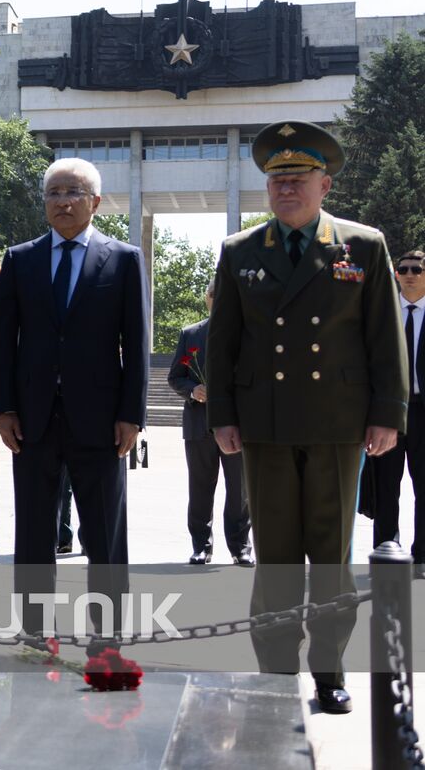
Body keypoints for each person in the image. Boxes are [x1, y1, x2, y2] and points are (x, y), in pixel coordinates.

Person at [207, 120, 407, 715]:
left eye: (298, 178)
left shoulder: (363, 245)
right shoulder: (241, 250)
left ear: (325, 185)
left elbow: (383, 337)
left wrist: (387, 413)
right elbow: (223, 343)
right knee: (273, 556)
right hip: (265, 424)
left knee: (330, 554)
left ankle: (328, 668)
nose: (286, 189)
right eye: (277, 180)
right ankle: (273, 667)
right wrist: (221, 414)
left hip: (336, 423)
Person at [0, 156, 147, 642]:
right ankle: (36, 632)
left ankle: (108, 635)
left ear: (95, 202)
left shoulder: (123, 259)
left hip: (100, 420)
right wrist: (4, 408)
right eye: (54, 193)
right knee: (35, 533)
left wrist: (131, 415)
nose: (62, 201)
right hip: (32, 419)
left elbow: (136, 343)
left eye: (73, 192)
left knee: (104, 532)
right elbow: (0, 341)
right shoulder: (20, 259)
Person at [168, 283, 252, 566]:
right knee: (200, 488)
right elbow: (175, 377)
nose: (218, 301)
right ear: (207, 299)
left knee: (240, 490)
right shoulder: (190, 334)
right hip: (198, 426)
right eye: (214, 296)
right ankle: (201, 546)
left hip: (237, 426)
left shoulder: (248, 334)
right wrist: (193, 389)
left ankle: (240, 547)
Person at [370, 249, 425, 578]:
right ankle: (386, 551)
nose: (409, 274)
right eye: (403, 268)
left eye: (417, 269)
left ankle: (422, 557)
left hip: (424, 413)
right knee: (385, 486)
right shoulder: (382, 315)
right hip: (390, 413)